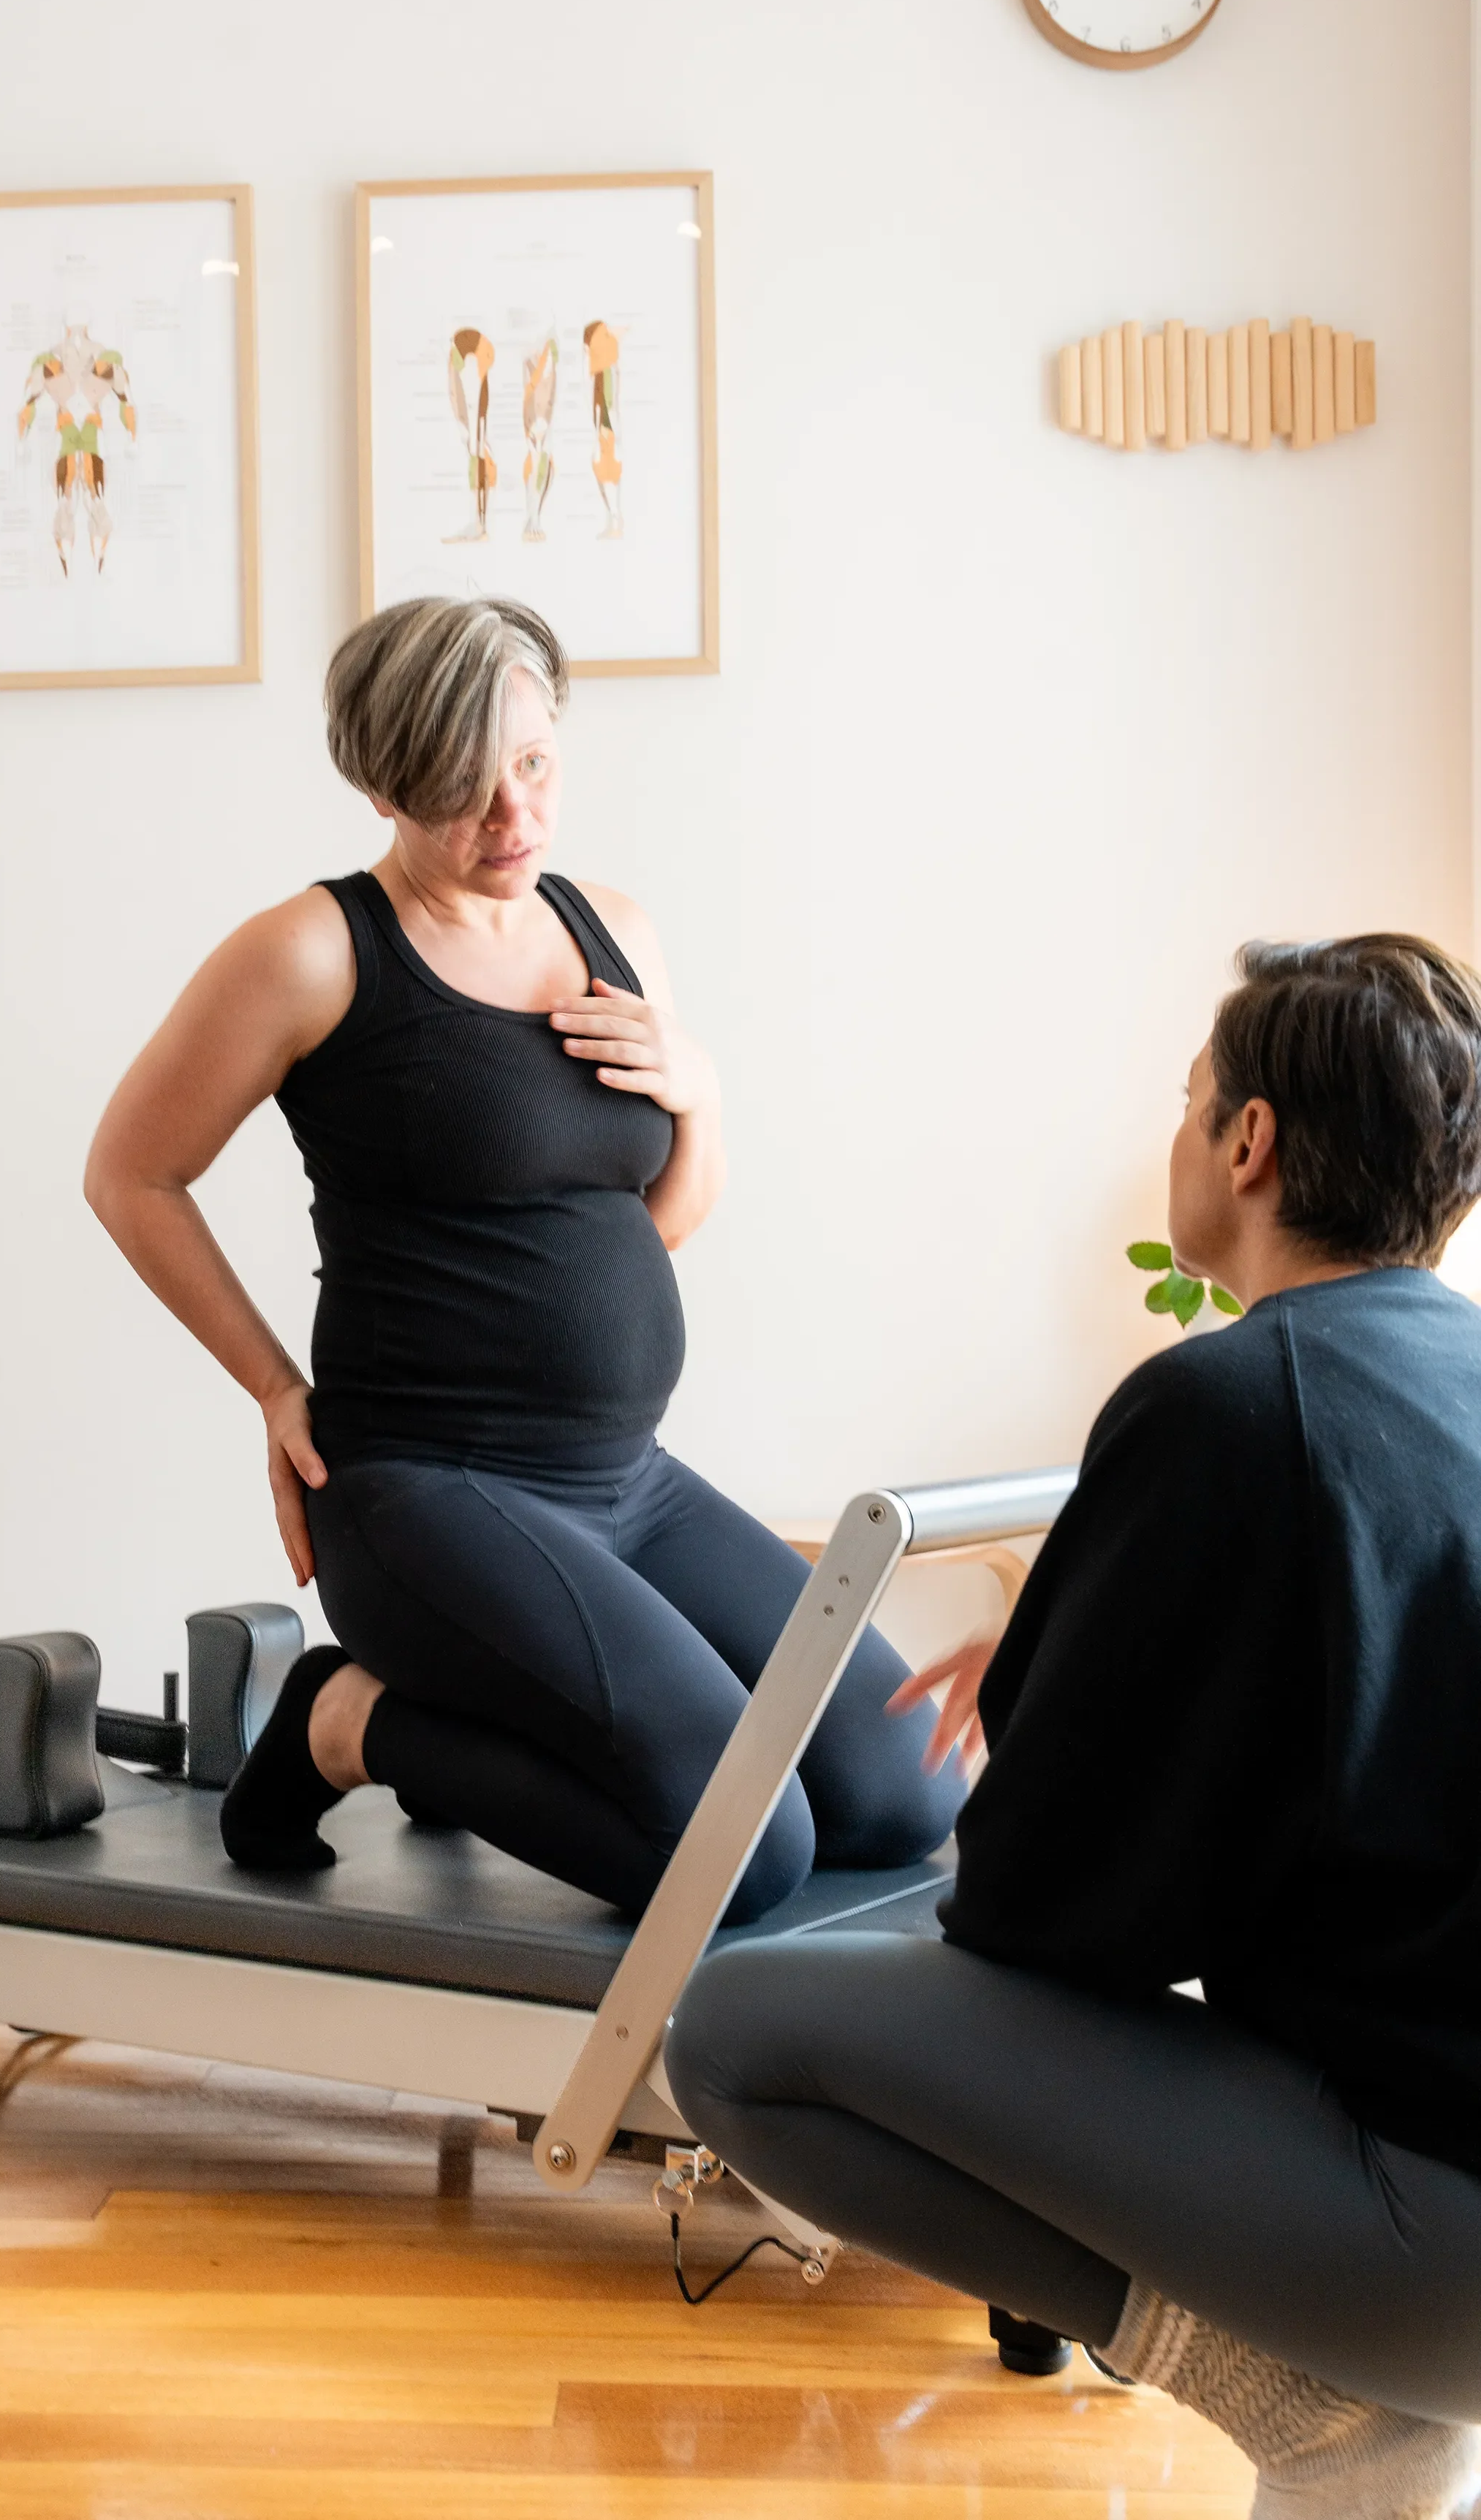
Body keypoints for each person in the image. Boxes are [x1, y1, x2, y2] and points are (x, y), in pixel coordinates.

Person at [667, 935, 1481, 2520]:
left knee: (735, 2035)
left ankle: (1310, 2399)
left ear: (1246, 1143)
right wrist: (1101, 1648)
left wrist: (1065, 1707)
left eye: (1186, 1106)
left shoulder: (1228, 1401)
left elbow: (1049, 1921)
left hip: (1429, 2235)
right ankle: (1360, 2389)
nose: (1175, 1136)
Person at [84, 593, 955, 1919]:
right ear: (381, 781)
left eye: (535, 763)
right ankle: (343, 1724)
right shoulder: (313, 953)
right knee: (750, 1852)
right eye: (462, 786)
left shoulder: (612, 930)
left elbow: (655, 1220)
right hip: (424, 1492)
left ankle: (461, 1716)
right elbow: (132, 1172)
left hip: (629, 1486)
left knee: (902, 1793)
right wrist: (273, 1386)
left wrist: (702, 1091)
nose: (514, 815)